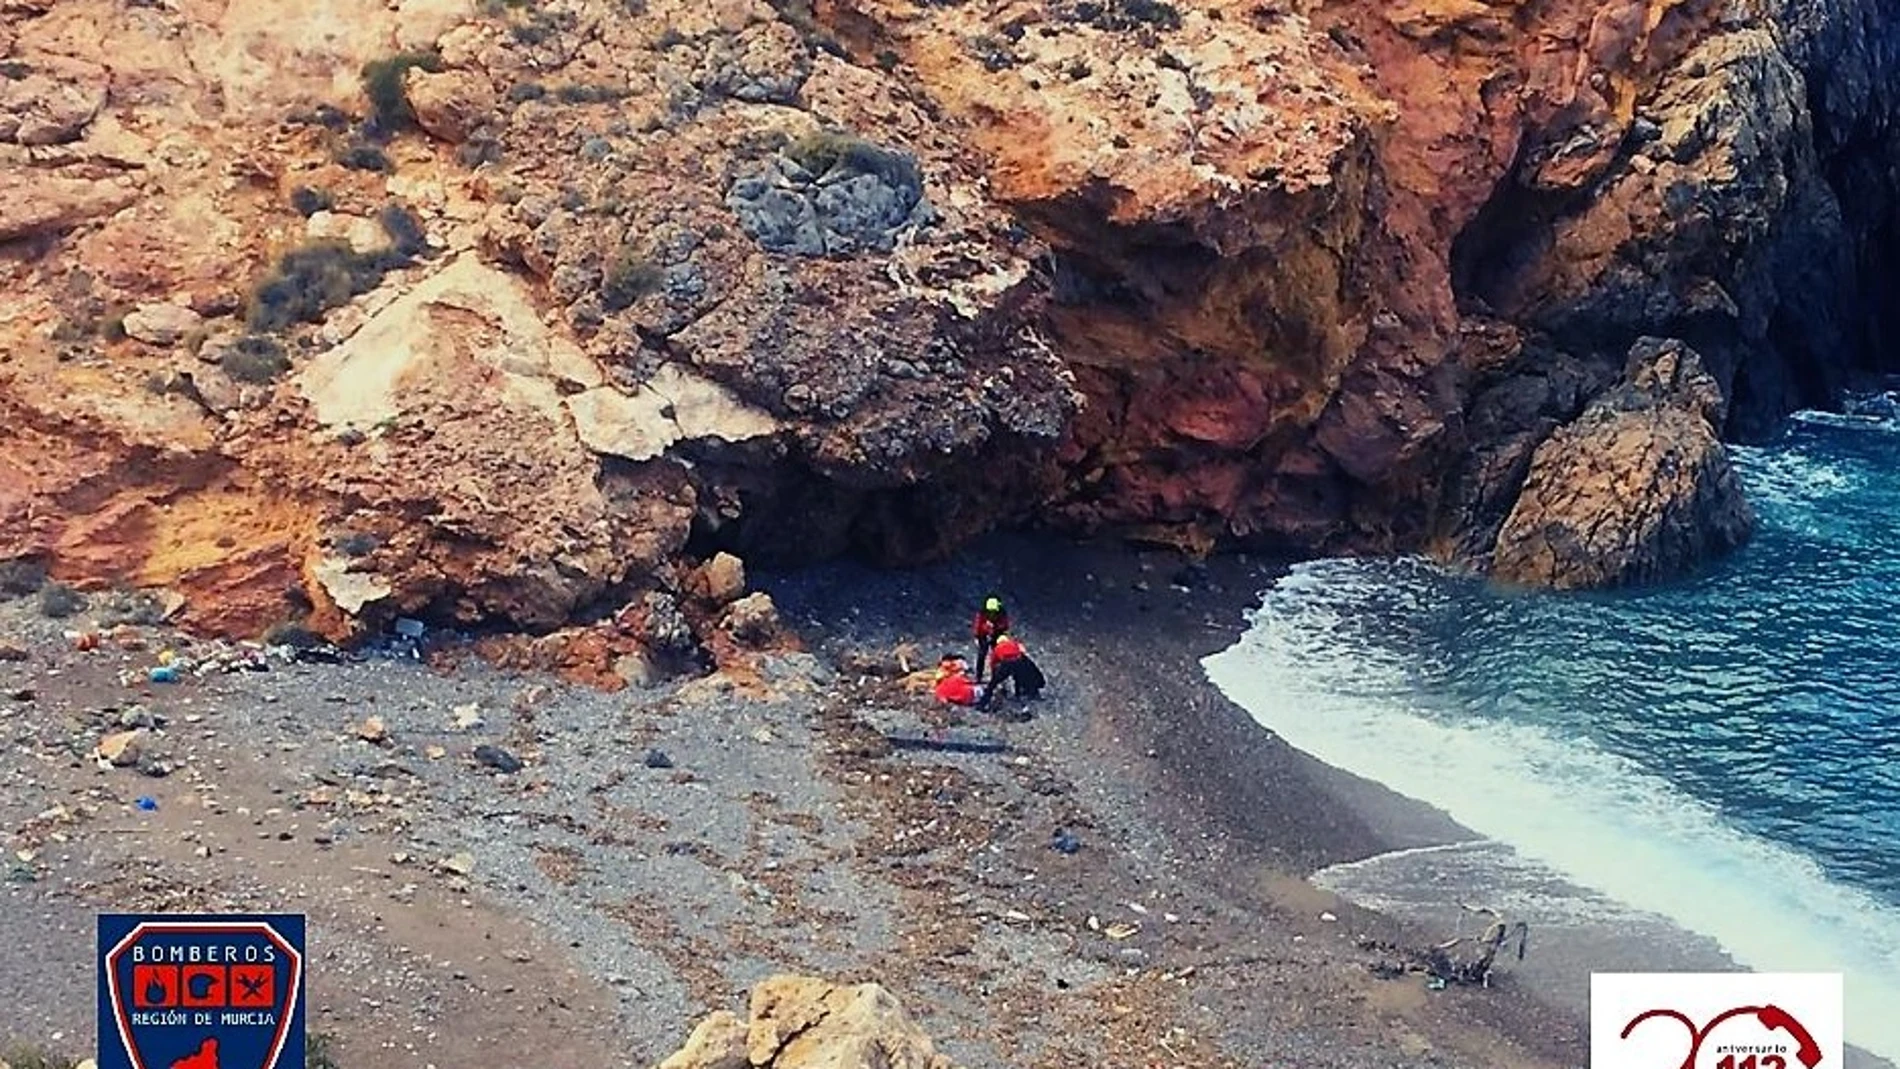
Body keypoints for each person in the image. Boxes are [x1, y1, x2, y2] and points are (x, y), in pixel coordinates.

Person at [987, 632, 1046, 703]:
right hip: (1018, 661)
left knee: (994, 683)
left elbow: (993, 663)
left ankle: (984, 701)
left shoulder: (997, 648)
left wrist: (994, 676)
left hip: (1007, 663)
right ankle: (1019, 694)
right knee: (1018, 677)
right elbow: (1023, 652)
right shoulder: (1014, 644)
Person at [971, 595, 1010, 679]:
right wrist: (978, 636)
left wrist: (996, 627)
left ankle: (996, 675)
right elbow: (977, 625)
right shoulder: (982, 613)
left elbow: (1005, 625)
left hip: (997, 635)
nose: (991, 614)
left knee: (997, 657)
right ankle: (979, 676)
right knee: (981, 656)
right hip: (983, 636)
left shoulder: (1002, 613)